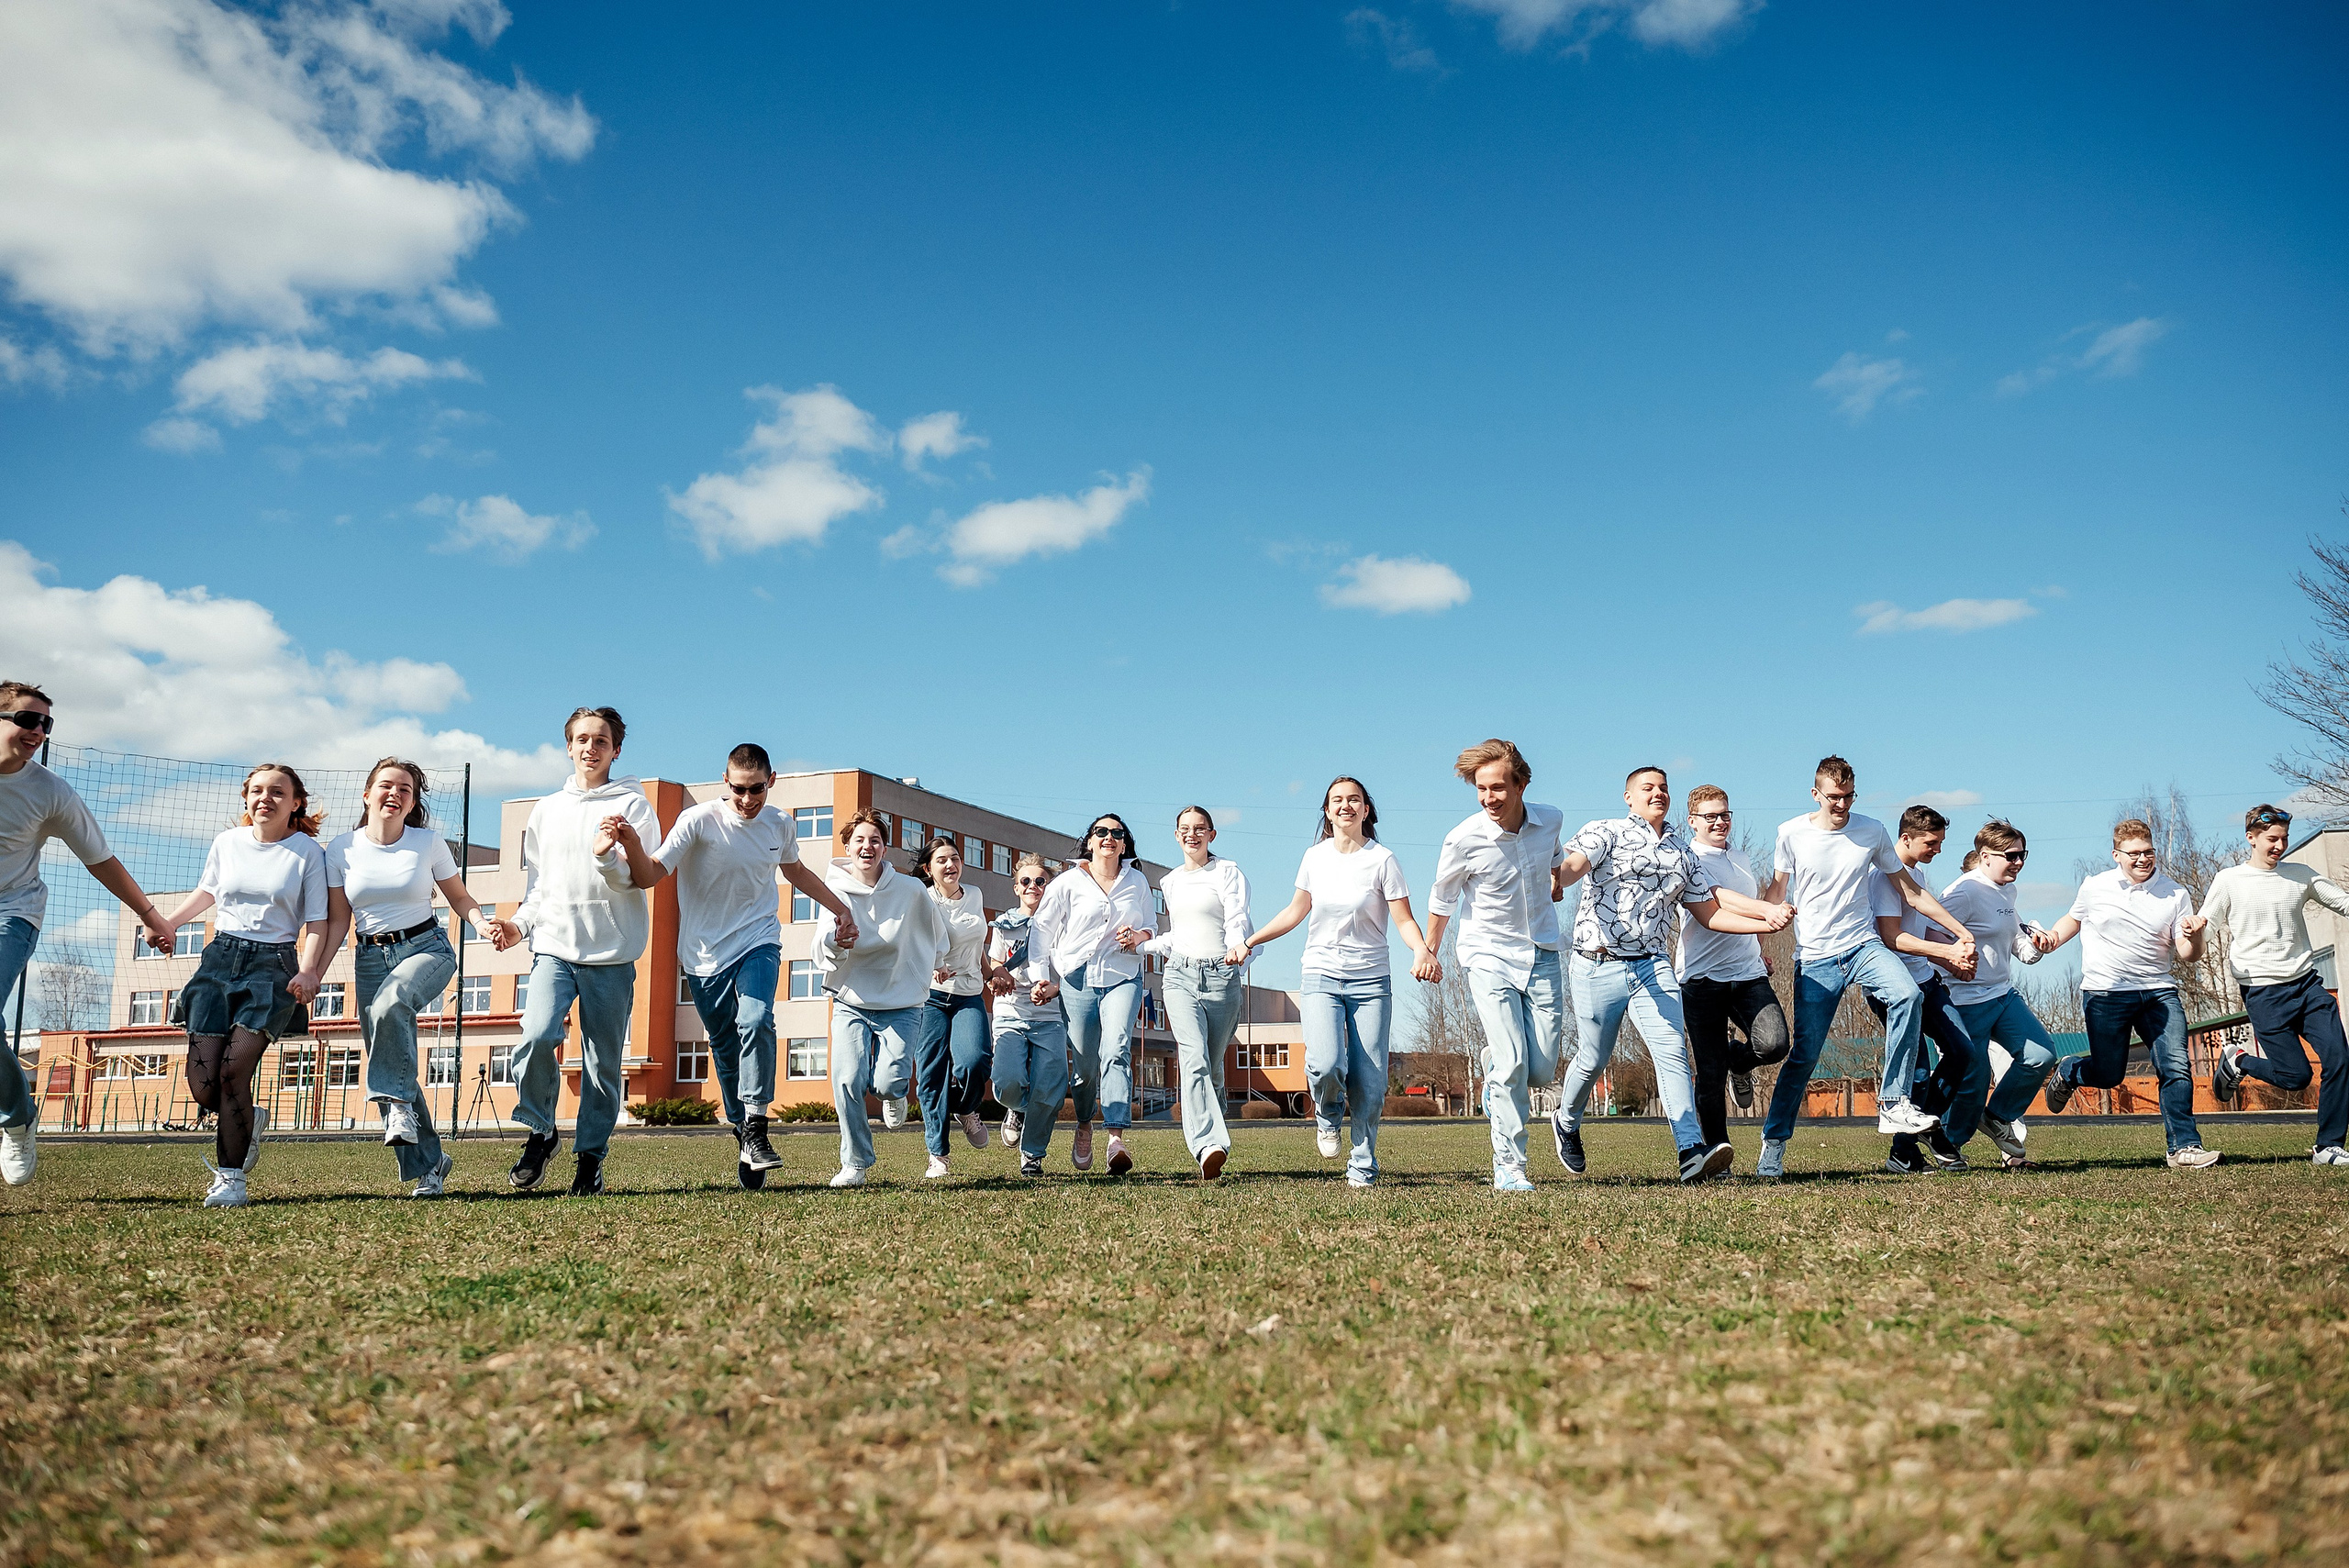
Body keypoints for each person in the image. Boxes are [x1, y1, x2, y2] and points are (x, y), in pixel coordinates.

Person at [1551, 767, 1793, 1184]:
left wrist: (1762, 923)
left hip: (1652, 965)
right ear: (1629, 796)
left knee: (1673, 1055)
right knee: (1593, 1058)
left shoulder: (1681, 852)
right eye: (1648, 788)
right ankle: (1567, 1120)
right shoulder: (1604, 831)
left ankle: (1690, 1151)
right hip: (1597, 963)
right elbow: (1573, 865)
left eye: (1663, 787)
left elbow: (1711, 911)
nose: (1657, 792)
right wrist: (1557, 878)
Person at [639, 744, 857, 1189]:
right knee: (724, 1047)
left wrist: (840, 909)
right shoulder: (698, 820)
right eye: (739, 789)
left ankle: (756, 1126)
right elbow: (656, 869)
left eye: (756, 789)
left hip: (759, 940)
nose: (747, 800)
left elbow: (796, 873)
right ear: (726, 782)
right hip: (703, 955)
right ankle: (742, 1130)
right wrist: (625, 848)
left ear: (770, 781)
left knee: (756, 1019)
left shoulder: (779, 823)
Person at [1754, 756, 1976, 1179]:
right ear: (1816, 794)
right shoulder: (1791, 833)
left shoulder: (1871, 831)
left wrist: (1960, 932)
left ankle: (1894, 1104)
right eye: (1834, 797)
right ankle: (1774, 1144)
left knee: (1907, 994)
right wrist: (1757, 944)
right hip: (1816, 958)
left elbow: (1910, 892)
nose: (1841, 805)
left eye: (1849, 796)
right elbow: (1776, 892)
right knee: (1804, 1055)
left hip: (1862, 945)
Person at [477, 706, 662, 1198]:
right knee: (535, 1037)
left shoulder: (633, 806)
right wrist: (518, 925)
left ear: (615, 749)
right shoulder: (546, 810)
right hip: (553, 949)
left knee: (602, 1065)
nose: (590, 748)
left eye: (601, 740)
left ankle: (590, 1159)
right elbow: (540, 885)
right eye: (581, 739)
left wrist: (605, 855)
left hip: (612, 954)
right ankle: (541, 1132)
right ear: (568, 746)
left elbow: (636, 879)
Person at [0, 680, 176, 1185]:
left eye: (46, 724)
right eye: (27, 720)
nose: (38, 731)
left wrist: (150, 913)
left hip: (12, 912)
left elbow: (100, 859)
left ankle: (16, 1119)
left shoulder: (50, 791)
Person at [1236, 776, 1434, 1187]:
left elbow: (1403, 919)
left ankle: (1363, 1163)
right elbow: (1295, 911)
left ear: (1366, 810)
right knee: (1326, 1063)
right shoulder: (1315, 857)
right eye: (1337, 801)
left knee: (1372, 1080)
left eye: (1354, 800)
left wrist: (1421, 950)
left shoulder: (1383, 860)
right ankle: (1327, 1115)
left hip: (1371, 979)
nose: (1345, 806)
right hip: (1321, 974)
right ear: (1327, 812)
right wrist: (1251, 940)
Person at [150, 765, 333, 1207]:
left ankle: (231, 1180)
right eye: (256, 791)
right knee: (203, 1087)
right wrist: (167, 923)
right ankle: (249, 1118)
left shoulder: (308, 853)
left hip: (272, 967)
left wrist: (308, 971)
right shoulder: (226, 843)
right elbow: (206, 892)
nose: (264, 799)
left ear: (296, 802)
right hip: (218, 961)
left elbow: (318, 921)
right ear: (245, 798)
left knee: (234, 1072)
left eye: (277, 792)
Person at [321, 759, 497, 1198]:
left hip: (426, 948)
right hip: (369, 957)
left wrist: (480, 924)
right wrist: (313, 973)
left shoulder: (427, 843)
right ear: (367, 793)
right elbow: (339, 920)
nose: (395, 793)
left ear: (413, 801)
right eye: (386, 785)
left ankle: (396, 1105)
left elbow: (459, 896)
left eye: (406, 788)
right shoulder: (340, 849)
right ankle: (430, 1165)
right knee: (390, 1057)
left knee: (391, 1006)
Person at [1422, 740, 1566, 1192]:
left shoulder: (1551, 820)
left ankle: (1494, 1066)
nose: (1489, 798)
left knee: (1540, 1070)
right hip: (1487, 954)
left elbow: (1556, 858)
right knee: (1513, 1063)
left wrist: (1557, 879)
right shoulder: (1463, 838)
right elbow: (1442, 899)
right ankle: (1510, 1164)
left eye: (1498, 788)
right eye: (1481, 789)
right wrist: (1427, 950)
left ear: (1522, 784)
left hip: (1542, 950)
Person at [2033, 818, 2217, 1168]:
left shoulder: (2175, 893)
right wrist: (2052, 940)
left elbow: (2189, 955)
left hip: (2158, 992)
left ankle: (2184, 1148)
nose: (2143, 859)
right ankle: (2072, 1071)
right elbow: (2074, 918)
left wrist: (2194, 935)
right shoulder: (2095, 886)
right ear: (2116, 854)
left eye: (2148, 852)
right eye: (2134, 853)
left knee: (2175, 1066)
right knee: (2109, 1074)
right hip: (2106, 993)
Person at [2198, 805, 2349, 1166]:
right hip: (2264, 992)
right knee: (2295, 1076)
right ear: (2251, 838)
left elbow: (2343, 902)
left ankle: (2328, 1145)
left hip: (2307, 985)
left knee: (2340, 1058)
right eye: (2271, 839)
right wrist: (2192, 929)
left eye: (2283, 838)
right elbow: (2208, 924)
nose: (2279, 845)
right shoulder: (2230, 880)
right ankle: (2240, 1061)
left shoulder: (2300, 875)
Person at [813, 809, 949, 1187]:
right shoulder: (834, 890)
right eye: (859, 840)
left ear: (884, 848)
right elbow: (821, 945)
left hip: (902, 1001)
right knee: (847, 1078)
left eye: (874, 840)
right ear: (847, 847)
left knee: (889, 1081)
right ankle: (855, 1162)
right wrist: (837, 943)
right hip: (851, 998)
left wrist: (936, 964)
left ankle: (894, 1094)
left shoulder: (910, 890)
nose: (867, 846)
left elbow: (936, 935)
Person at [1127, 807, 1252, 1181]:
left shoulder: (1228, 872)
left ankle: (1211, 1117)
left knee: (1212, 1067)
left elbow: (1238, 918)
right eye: (1184, 829)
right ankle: (1208, 1145)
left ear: (1211, 835)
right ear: (1176, 834)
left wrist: (1236, 947)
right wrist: (1141, 944)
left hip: (1221, 975)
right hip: (1179, 975)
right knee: (1193, 1058)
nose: (1191, 835)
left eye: (1199, 829)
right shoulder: (1171, 881)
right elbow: (1177, 934)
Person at [1031, 812, 1155, 1176]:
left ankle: (1115, 1137)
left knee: (1116, 1049)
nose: (1109, 838)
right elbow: (1041, 931)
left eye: (1117, 833)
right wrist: (1041, 976)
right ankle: (1084, 1123)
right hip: (1078, 980)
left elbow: (1151, 927)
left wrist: (1138, 938)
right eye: (1101, 832)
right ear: (1090, 841)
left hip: (1122, 975)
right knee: (1085, 1068)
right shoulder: (1068, 882)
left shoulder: (1137, 883)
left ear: (1124, 843)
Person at [1863, 805, 1983, 1174]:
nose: (1938, 850)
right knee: (1916, 1072)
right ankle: (1907, 1151)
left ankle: (1920, 1133)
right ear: (1906, 838)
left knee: (1963, 1052)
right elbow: (1893, 936)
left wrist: (1949, 963)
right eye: (1932, 842)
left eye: (1940, 842)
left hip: (1926, 981)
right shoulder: (1884, 878)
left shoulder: (1915, 875)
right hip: (1894, 987)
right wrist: (1947, 950)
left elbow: (1918, 928)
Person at [1675, 785, 1792, 1162]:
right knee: (1709, 1073)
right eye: (1710, 816)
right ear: (1692, 821)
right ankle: (1716, 1153)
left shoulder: (1740, 858)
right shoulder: (1685, 857)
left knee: (1775, 1044)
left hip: (1748, 974)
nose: (1720, 821)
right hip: (1701, 978)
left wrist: (1760, 946)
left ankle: (1739, 1062)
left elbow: (1746, 906)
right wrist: (1764, 912)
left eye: (1725, 814)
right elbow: (1718, 900)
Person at [1933, 820, 2057, 1169]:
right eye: (2012, 856)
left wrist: (2037, 945)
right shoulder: (1963, 892)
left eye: (2023, 855)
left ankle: (1998, 1115)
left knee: (2041, 1055)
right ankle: (1949, 1148)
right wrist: (1951, 964)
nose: (2018, 863)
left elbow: (2016, 937)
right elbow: (1929, 933)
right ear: (1985, 857)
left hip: (2003, 995)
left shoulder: (2007, 889)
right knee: (1972, 1080)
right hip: (1965, 1001)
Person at [911, 835, 993, 1179]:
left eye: (956, 858)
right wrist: (932, 963)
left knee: (975, 1060)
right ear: (928, 869)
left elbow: (976, 947)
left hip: (969, 993)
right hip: (929, 995)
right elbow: (911, 942)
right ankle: (938, 1154)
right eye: (942, 860)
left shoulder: (974, 895)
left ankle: (966, 1107)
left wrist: (992, 973)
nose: (951, 864)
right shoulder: (922, 899)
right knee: (931, 1074)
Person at [986, 853, 1068, 1178]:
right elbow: (994, 962)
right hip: (1010, 1009)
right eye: (1026, 881)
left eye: (1040, 881)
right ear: (1016, 888)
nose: (1033, 886)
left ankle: (1032, 1155)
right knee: (1006, 1080)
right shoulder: (1004, 924)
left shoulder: (1063, 925)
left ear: (1049, 887)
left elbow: (1071, 970)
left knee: (1049, 1087)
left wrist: (1054, 988)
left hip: (1050, 1015)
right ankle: (1017, 1110)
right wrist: (998, 976)